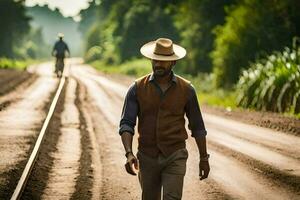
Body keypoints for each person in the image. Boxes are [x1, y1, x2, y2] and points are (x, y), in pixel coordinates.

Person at [119, 38, 210, 200]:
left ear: (173, 62)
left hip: (175, 155)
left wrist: (204, 158)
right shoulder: (136, 88)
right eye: (155, 60)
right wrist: (128, 153)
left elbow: (198, 127)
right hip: (147, 157)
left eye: (164, 61)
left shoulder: (187, 89)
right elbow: (126, 123)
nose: (158, 64)